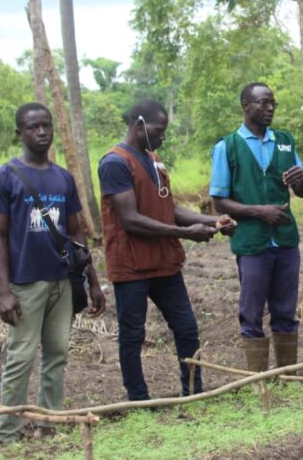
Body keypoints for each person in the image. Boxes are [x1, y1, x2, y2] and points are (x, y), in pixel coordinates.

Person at [0, 103, 105, 443]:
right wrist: (3, 291)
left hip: (62, 282)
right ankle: (9, 432)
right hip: (25, 284)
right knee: (21, 357)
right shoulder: (4, 177)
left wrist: (92, 282)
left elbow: (77, 234)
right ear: (19, 132)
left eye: (46, 126)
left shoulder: (63, 177)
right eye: (33, 126)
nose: (42, 132)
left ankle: (49, 424)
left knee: (57, 354)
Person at [98, 99, 234, 401]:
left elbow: (167, 208)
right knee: (133, 335)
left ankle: (192, 392)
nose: (163, 136)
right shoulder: (115, 163)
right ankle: (139, 399)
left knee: (186, 327)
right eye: (160, 130)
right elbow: (131, 220)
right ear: (140, 125)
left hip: (164, 262)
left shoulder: (154, 159)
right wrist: (186, 233)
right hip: (131, 265)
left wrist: (212, 220)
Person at [209, 82, 303, 372]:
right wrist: (258, 212)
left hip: (286, 241)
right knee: (251, 313)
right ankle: (258, 380)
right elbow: (219, 201)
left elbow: (301, 191)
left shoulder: (285, 141)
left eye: (273, 104)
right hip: (252, 243)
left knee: (286, 311)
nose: (270, 109)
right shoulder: (227, 147)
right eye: (263, 103)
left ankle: (287, 374)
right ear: (246, 105)